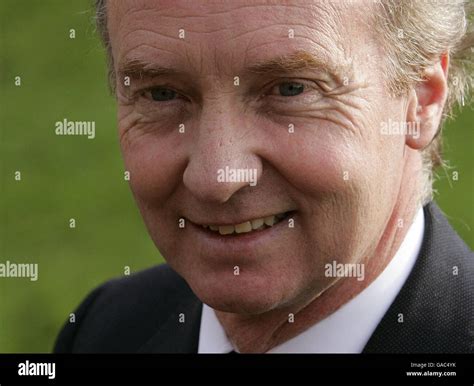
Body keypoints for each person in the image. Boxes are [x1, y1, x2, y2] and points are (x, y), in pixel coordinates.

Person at [54, 0, 473, 353]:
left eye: (290, 89)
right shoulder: (102, 331)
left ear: (421, 98)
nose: (218, 177)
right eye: (162, 94)